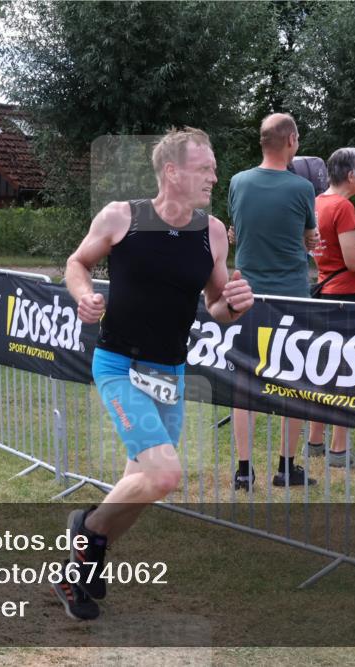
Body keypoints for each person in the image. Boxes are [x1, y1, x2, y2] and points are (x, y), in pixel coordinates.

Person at [58, 127, 254, 620]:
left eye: (212, 167)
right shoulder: (122, 217)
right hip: (120, 363)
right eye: (204, 167)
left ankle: (85, 558)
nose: (213, 176)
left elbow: (214, 305)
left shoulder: (211, 231)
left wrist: (234, 305)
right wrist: (83, 294)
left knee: (139, 487)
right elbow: (77, 262)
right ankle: (84, 534)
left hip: (169, 370)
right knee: (164, 475)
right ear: (172, 171)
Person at [227, 113, 319, 491]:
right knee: (293, 381)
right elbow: (309, 238)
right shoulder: (301, 188)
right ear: (292, 141)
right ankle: (286, 466)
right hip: (291, 296)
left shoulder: (237, 182)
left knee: (242, 382)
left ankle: (244, 470)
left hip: (246, 294)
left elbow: (237, 231)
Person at [306, 147, 355, 469]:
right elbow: (352, 261)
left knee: (324, 370)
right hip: (352, 296)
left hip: (325, 293)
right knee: (349, 372)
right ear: (351, 174)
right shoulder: (343, 206)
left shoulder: (317, 202)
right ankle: (340, 450)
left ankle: (315, 441)